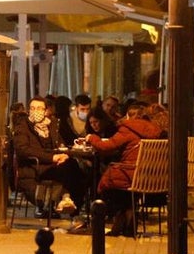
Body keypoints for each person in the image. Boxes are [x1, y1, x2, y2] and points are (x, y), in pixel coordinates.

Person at [86, 99, 165, 236]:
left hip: (130, 174)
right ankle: (126, 224)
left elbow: (106, 146)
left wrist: (91, 138)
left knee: (110, 182)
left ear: (129, 116)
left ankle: (121, 222)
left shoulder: (128, 130)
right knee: (123, 189)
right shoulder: (156, 131)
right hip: (150, 177)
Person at [11, 96, 87, 226]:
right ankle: (67, 202)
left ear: (46, 111)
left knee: (74, 167)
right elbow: (24, 150)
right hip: (35, 166)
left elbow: (59, 143)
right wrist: (51, 158)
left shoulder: (52, 125)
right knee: (70, 169)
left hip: (53, 164)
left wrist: (63, 153)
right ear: (29, 110)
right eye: (33, 108)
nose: (36, 111)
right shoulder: (23, 126)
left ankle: (69, 203)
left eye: (40, 108)